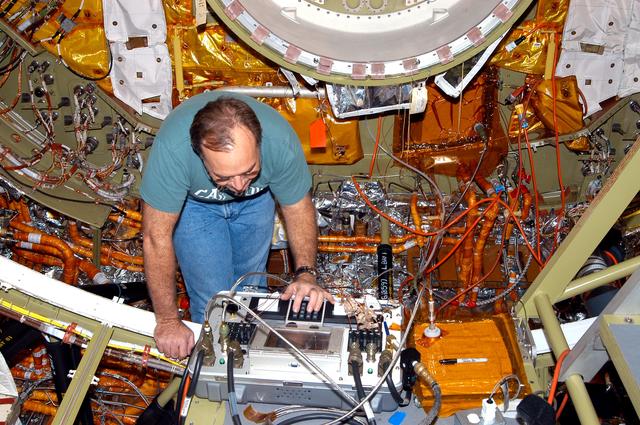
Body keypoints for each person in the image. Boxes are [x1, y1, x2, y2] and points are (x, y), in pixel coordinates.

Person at [140, 91, 334, 359]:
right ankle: (217, 368)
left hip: (257, 201)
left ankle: (253, 366)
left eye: (249, 171)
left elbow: (297, 207)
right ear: (199, 156)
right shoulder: (174, 151)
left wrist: (306, 275)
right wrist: (168, 321)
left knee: (251, 290)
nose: (240, 186)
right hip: (196, 206)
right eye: (224, 176)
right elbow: (155, 237)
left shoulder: (279, 142)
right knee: (214, 300)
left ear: (259, 144)